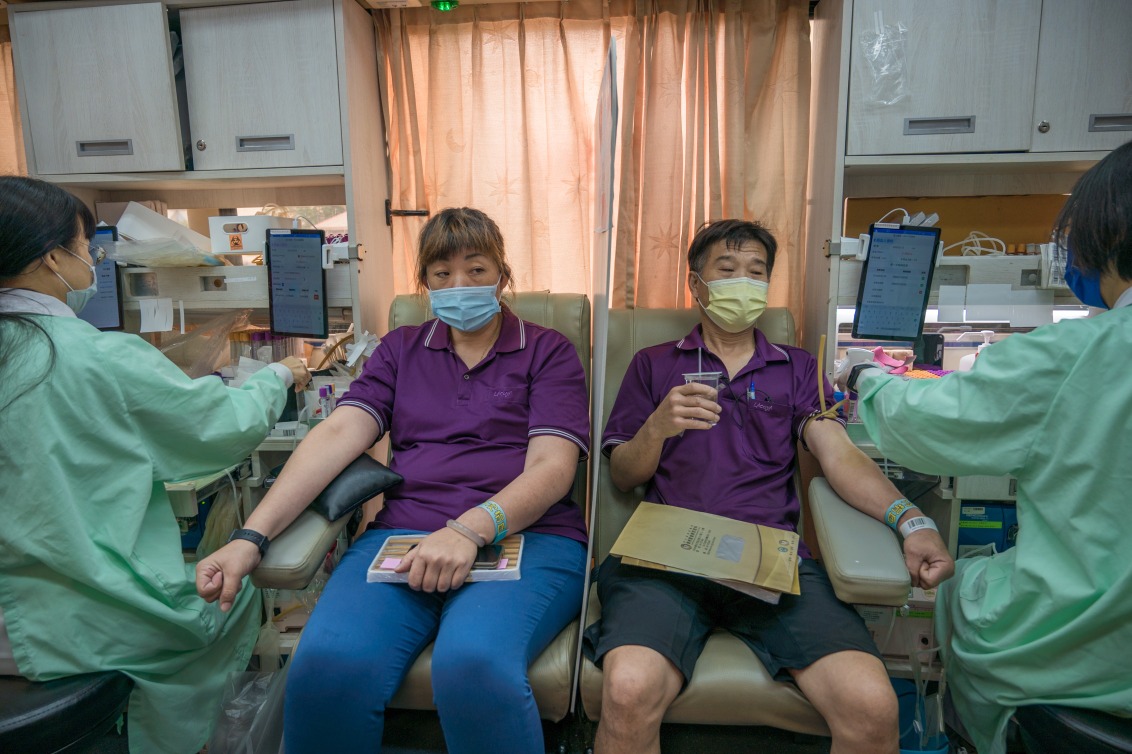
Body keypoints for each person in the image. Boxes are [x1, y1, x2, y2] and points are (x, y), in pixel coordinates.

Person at [196, 206, 590, 754]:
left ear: (502, 274)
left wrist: (469, 530)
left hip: (527, 537)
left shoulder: (547, 351)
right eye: (442, 273)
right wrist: (249, 537)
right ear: (425, 282)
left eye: (477, 269)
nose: (460, 285)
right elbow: (338, 435)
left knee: (473, 665)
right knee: (326, 665)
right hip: (405, 537)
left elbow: (553, 468)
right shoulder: (401, 350)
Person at [582, 219, 955, 754]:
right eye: (727, 268)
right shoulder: (654, 364)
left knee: (873, 707)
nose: (744, 281)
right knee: (628, 691)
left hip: (772, 564)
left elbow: (839, 456)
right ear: (696, 283)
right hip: (666, 563)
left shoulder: (796, 367)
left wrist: (911, 521)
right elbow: (622, 475)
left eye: (756, 272)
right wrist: (657, 427)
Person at [0, 176, 311, 754]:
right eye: (85, 248)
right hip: (65, 630)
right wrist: (277, 376)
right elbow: (217, 428)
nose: (92, 262)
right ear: (50, 258)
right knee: (230, 596)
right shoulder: (92, 357)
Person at [843, 140, 1132, 754]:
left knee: (964, 585)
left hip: (1085, 666)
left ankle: (970, 734)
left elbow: (926, 424)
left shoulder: (1076, 354)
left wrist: (866, 378)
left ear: (1108, 235)